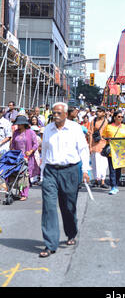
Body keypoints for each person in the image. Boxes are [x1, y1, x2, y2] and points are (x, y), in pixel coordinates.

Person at [39, 102, 90, 258]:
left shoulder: (75, 128)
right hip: (50, 171)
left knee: (68, 206)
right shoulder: (48, 129)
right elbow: (45, 152)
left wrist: (85, 170)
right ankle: (50, 244)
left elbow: (83, 149)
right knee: (49, 207)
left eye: (59, 113)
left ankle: (71, 232)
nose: (55, 115)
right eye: (53, 113)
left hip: (70, 171)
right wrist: (42, 173)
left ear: (66, 114)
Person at [10, 115, 39, 201]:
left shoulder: (30, 132)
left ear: (24, 124)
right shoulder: (15, 132)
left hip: (28, 157)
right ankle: (19, 191)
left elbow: (36, 144)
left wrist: (31, 151)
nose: (18, 125)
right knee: (18, 174)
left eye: (19, 124)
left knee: (25, 175)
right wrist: (12, 151)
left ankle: (24, 194)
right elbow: (13, 144)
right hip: (18, 157)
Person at [102, 110, 125, 195]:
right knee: (112, 169)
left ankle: (116, 184)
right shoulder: (108, 127)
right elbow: (103, 136)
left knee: (118, 170)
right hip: (111, 151)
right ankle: (113, 186)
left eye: (122, 117)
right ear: (114, 117)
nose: (120, 118)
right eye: (119, 117)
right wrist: (108, 139)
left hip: (121, 152)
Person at [89, 107, 109, 189]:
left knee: (103, 164)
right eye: (98, 111)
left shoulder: (106, 122)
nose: (98, 113)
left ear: (104, 113)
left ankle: (103, 181)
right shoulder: (93, 121)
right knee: (95, 164)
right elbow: (90, 134)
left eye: (100, 112)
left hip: (103, 145)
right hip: (95, 145)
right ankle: (96, 180)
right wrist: (90, 146)